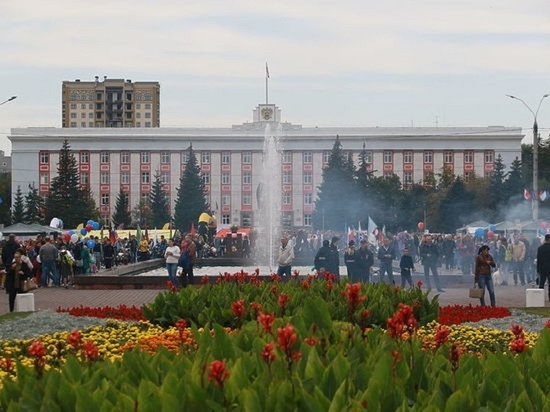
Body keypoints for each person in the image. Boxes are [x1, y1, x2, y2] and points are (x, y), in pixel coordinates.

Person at [536, 234, 550, 301]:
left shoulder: (540, 248)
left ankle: (540, 298)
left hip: (542, 269)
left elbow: (538, 260)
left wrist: (538, 269)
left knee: (541, 284)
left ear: (545, 239)